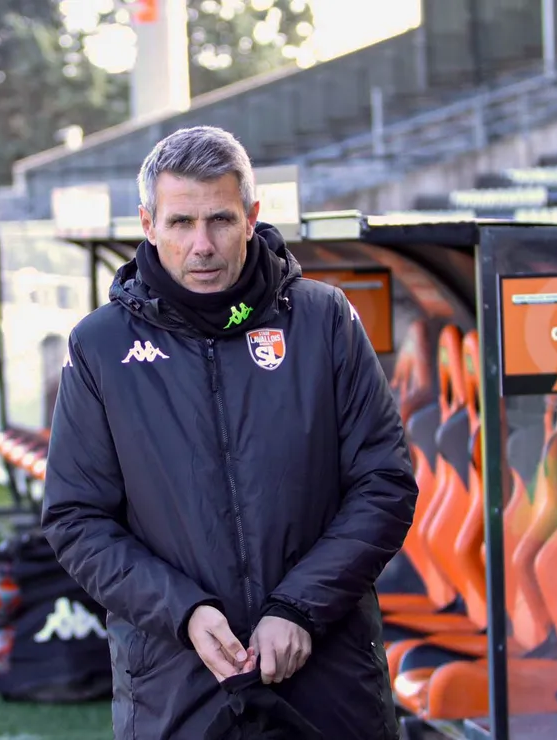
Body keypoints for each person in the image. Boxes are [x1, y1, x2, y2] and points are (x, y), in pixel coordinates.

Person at [41, 125, 418, 739]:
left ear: (251, 216)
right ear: (147, 223)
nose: (202, 245)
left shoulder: (323, 321)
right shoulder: (100, 346)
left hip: (329, 680)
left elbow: (384, 483)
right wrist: (184, 613)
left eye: (219, 219)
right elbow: (76, 517)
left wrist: (299, 607)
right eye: (181, 223)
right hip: (176, 680)